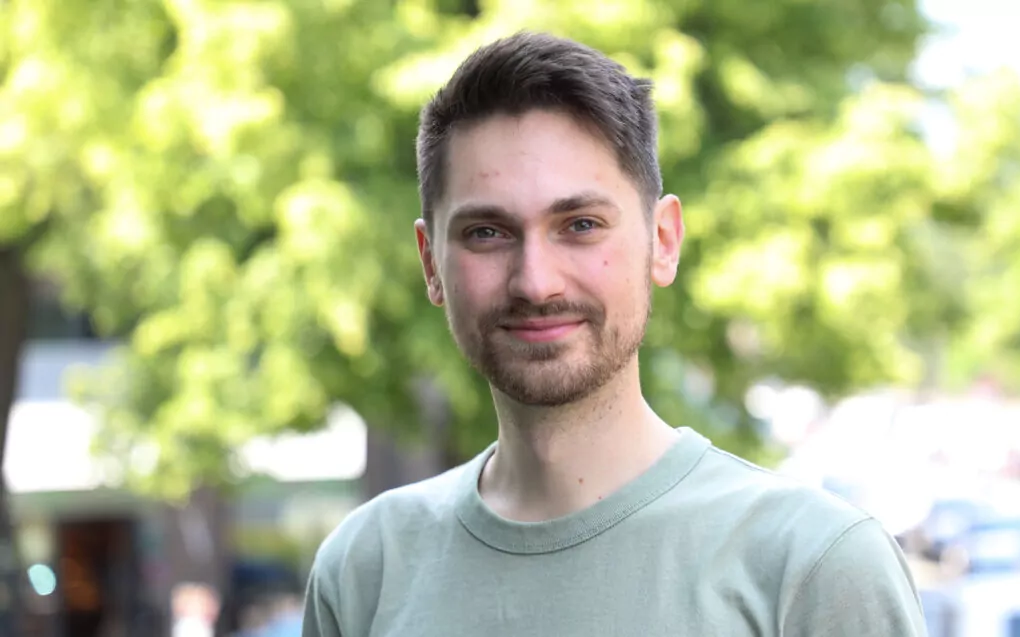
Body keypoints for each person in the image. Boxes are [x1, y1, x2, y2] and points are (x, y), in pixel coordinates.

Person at [301, 31, 927, 636]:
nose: (536, 282)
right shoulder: (365, 572)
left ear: (662, 241)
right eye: (486, 232)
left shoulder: (812, 567)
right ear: (431, 262)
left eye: (580, 224)